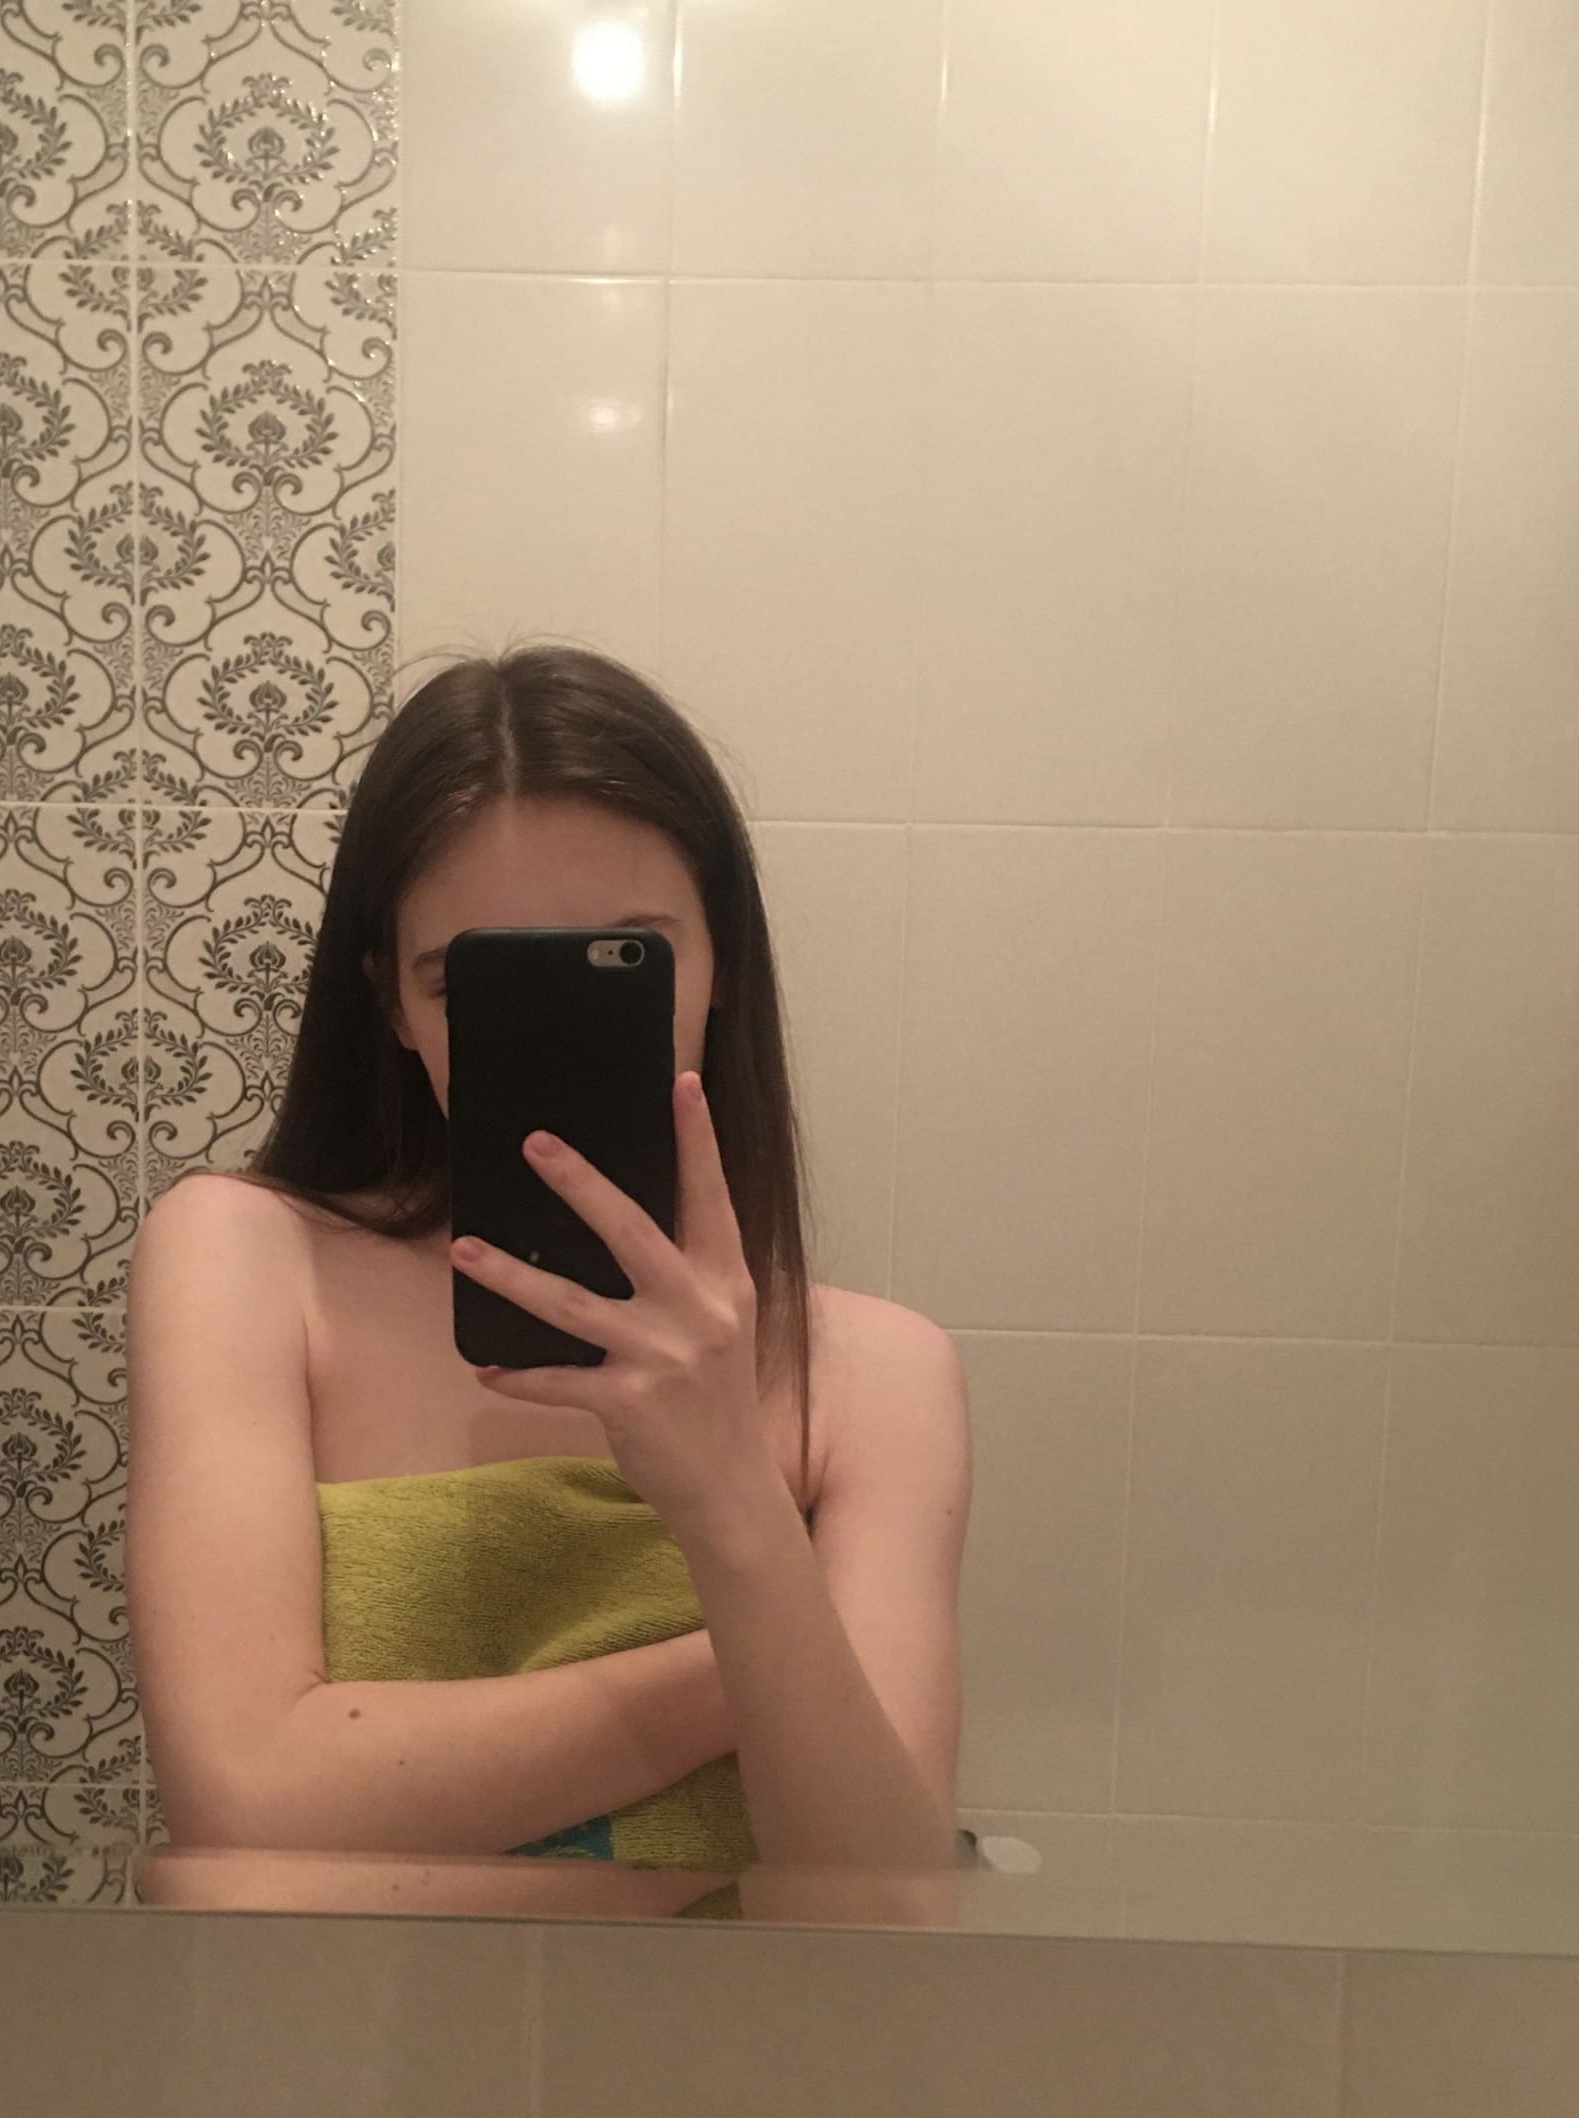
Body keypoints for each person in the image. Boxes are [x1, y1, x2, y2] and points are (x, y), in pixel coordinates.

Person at [125, 644, 971, 1916]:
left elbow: (875, 1905)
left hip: (730, 2054)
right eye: (471, 985)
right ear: (393, 1007)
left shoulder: (880, 1375)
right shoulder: (246, 1263)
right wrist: (749, 1671)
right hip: (347, 2045)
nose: (555, 1037)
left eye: (626, 963)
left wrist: (731, 1497)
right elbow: (244, 1801)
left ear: (720, 966)